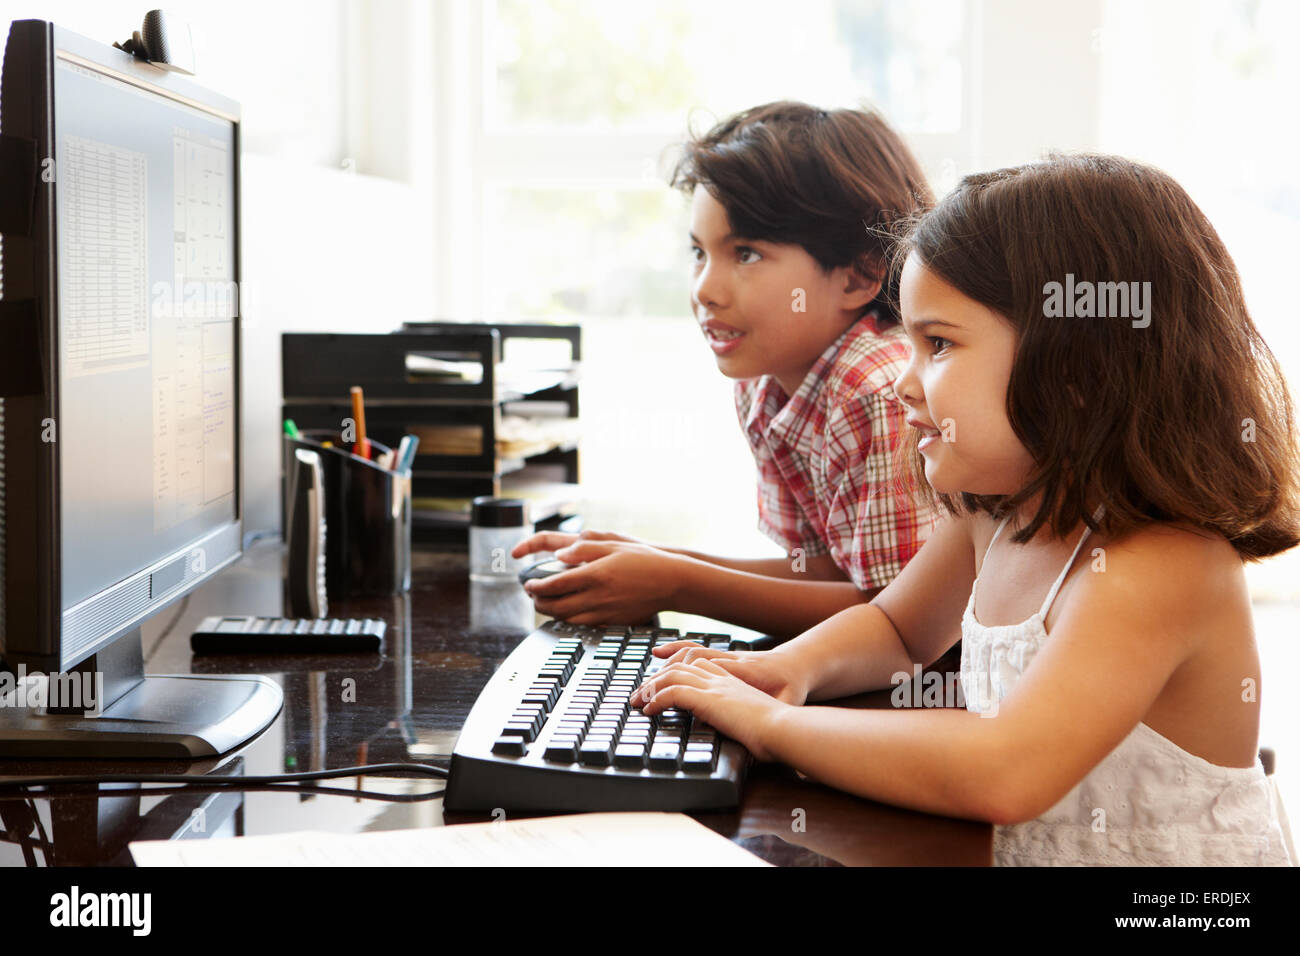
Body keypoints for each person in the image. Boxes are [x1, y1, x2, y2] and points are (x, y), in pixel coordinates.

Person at [631, 154, 1299, 866]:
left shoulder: (1160, 566)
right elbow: (896, 630)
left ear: (1077, 365)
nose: (903, 385)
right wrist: (787, 670)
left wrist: (770, 726)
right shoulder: (994, 511)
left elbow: (1005, 770)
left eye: (939, 345)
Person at [514, 101, 938, 636]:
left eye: (746, 254)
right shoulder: (767, 382)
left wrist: (678, 583)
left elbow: (897, 620)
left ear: (858, 275)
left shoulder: (874, 389)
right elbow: (828, 570)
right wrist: (651, 561)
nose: (704, 290)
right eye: (698, 252)